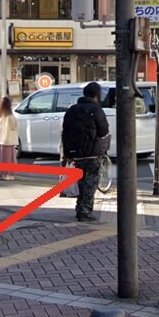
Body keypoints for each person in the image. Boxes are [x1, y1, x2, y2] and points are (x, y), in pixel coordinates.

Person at [61, 82, 110, 222]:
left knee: (82, 182)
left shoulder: (72, 110)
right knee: (91, 183)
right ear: (96, 94)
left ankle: (79, 207)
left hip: (76, 153)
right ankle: (84, 211)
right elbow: (103, 131)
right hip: (92, 152)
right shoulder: (96, 110)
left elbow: (65, 132)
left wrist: (67, 153)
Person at [0, 97, 19, 181]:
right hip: (8, 140)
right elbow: (14, 126)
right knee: (9, 159)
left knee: (0, 157)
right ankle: (8, 174)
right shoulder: (10, 115)